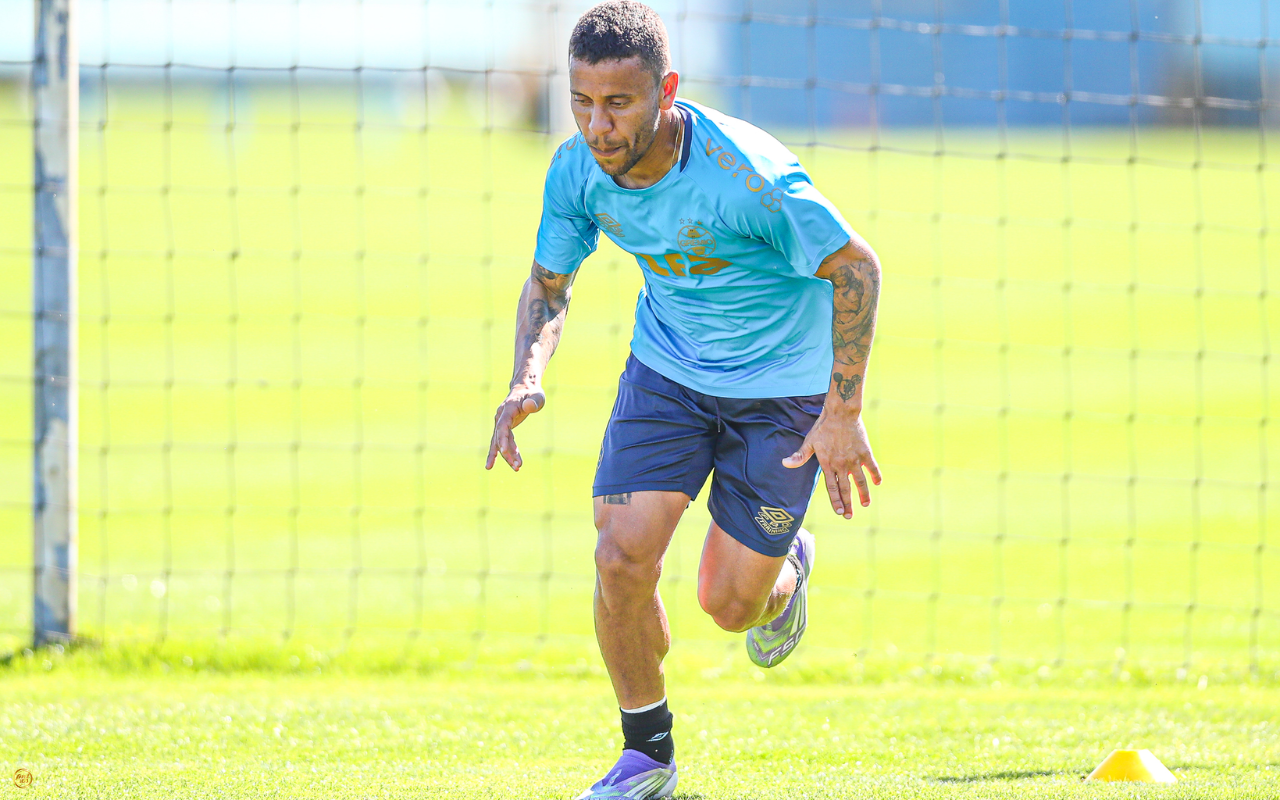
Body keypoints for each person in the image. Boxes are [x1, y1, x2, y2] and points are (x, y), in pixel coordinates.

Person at [484, 2, 882, 797]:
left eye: (619, 103)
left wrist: (841, 412)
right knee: (619, 557)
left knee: (728, 605)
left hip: (780, 390)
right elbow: (549, 285)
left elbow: (856, 269)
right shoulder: (576, 170)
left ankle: (788, 567)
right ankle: (648, 756)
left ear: (666, 91)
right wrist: (527, 375)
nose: (598, 126)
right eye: (582, 102)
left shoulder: (749, 177)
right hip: (667, 373)